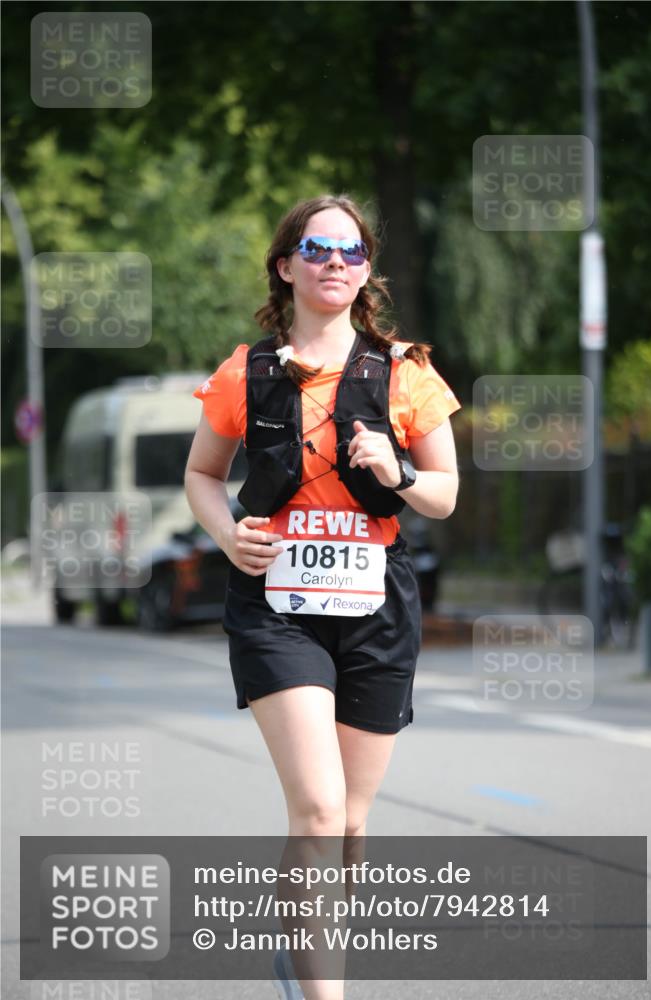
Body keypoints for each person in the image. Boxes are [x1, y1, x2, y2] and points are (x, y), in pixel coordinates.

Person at [184, 194, 460, 1000]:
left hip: (377, 606)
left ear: (366, 271)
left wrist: (396, 470)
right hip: (276, 607)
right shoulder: (246, 372)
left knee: (349, 821)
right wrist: (226, 534)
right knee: (316, 809)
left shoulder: (405, 371)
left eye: (351, 251)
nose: (334, 262)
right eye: (316, 249)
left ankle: (303, 951)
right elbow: (202, 474)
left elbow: (443, 494)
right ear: (285, 266)